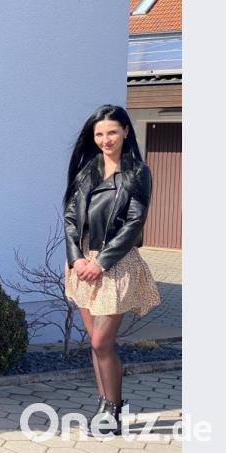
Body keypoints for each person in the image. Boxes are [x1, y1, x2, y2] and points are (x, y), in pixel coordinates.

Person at [63, 105, 160, 435]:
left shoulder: (137, 173)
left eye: (112, 132)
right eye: (99, 134)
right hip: (82, 263)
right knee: (95, 343)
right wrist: (76, 258)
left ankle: (114, 409)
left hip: (115, 265)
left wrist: (101, 262)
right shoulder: (87, 171)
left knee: (103, 342)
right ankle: (105, 404)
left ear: (126, 132)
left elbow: (134, 222)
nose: (106, 139)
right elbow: (72, 218)